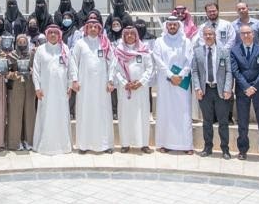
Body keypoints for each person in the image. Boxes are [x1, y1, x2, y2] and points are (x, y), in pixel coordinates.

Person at [69, 13, 115, 153]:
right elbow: (73, 63)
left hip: (102, 86)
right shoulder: (80, 44)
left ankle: (105, 145)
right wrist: (74, 80)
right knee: (85, 113)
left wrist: (110, 80)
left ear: (99, 28)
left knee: (103, 113)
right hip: (85, 86)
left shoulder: (105, 43)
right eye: (91, 27)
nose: (93, 29)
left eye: (96, 26)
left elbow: (113, 62)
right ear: (86, 28)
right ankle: (84, 145)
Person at [229, 24, 259, 161]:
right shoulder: (234, 51)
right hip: (242, 91)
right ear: (240, 36)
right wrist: (246, 87)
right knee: (242, 121)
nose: (246, 35)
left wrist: (254, 87)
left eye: (248, 33)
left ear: (253, 34)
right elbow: (235, 71)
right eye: (243, 33)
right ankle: (242, 149)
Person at [152, 15, 194, 154]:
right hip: (165, 81)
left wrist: (180, 75)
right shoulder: (159, 41)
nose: (172, 27)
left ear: (178, 26)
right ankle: (164, 143)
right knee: (165, 112)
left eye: (175, 25)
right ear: (166, 26)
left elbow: (189, 60)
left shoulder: (186, 41)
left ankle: (186, 145)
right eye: (170, 25)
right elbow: (158, 60)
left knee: (183, 112)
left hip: (182, 82)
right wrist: (170, 75)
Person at [190, 26, 233, 159]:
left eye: (211, 34)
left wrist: (227, 88)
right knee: (207, 121)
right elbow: (195, 71)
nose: (208, 37)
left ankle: (225, 149)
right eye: (206, 34)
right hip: (205, 90)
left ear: (215, 36)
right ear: (203, 36)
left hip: (220, 91)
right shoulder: (197, 52)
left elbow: (228, 71)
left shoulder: (223, 51)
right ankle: (208, 147)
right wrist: (197, 88)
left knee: (223, 121)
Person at [32, 25, 73, 155]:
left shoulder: (65, 49)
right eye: (51, 33)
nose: (53, 35)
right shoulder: (41, 50)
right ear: (47, 34)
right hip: (45, 91)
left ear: (59, 34)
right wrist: (37, 88)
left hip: (61, 90)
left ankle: (63, 146)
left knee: (61, 116)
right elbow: (36, 71)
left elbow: (71, 69)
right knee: (45, 116)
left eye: (56, 33)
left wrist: (70, 85)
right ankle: (44, 146)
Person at [113, 25, 154, 153]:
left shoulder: (144, 49)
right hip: (125, 90)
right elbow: (116, 70)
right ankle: (125, 143)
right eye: (127, 34)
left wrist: (141, 82)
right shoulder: (118, 51)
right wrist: (125, 83)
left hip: (141, 90)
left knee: (142, 115)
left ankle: (144, 144)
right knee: (125, 115)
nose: (129, 36)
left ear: (136, 35)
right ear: (123, 36)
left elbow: (149, 68)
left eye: (132, 34)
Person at [6, 34, 37, 151]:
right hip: (16, 85)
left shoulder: (32, 54)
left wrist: (32, 71)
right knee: (15, 114)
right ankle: (15, 142)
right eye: (20, 42)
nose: (22, 44)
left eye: (24, 42)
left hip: (29, 86)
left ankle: (29, 141)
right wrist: (14, 75)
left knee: (30, 113)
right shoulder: (11, 55)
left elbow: (37, 69)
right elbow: (5, 72)